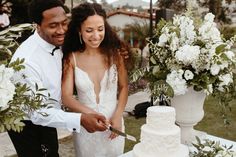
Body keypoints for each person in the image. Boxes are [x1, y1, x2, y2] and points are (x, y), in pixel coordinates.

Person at [7, 0, 108, 157]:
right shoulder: (27, 61)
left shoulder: (57, 40)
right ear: (37, 25)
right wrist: (80, 119)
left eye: (64, 23)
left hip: (50, 116)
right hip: (28, 124)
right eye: (53, 25)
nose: (61, 30)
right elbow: (38, 113)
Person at [61, 2, 129, 157]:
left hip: (114, 125)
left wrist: (118, 116)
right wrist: (91, 114)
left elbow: (124, 87)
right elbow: (66, 97)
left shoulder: (115, 54)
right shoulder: (71, 59)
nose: (96, 35)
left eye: (100, 29)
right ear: (79, 30)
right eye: (89, 30)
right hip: (86, 128)